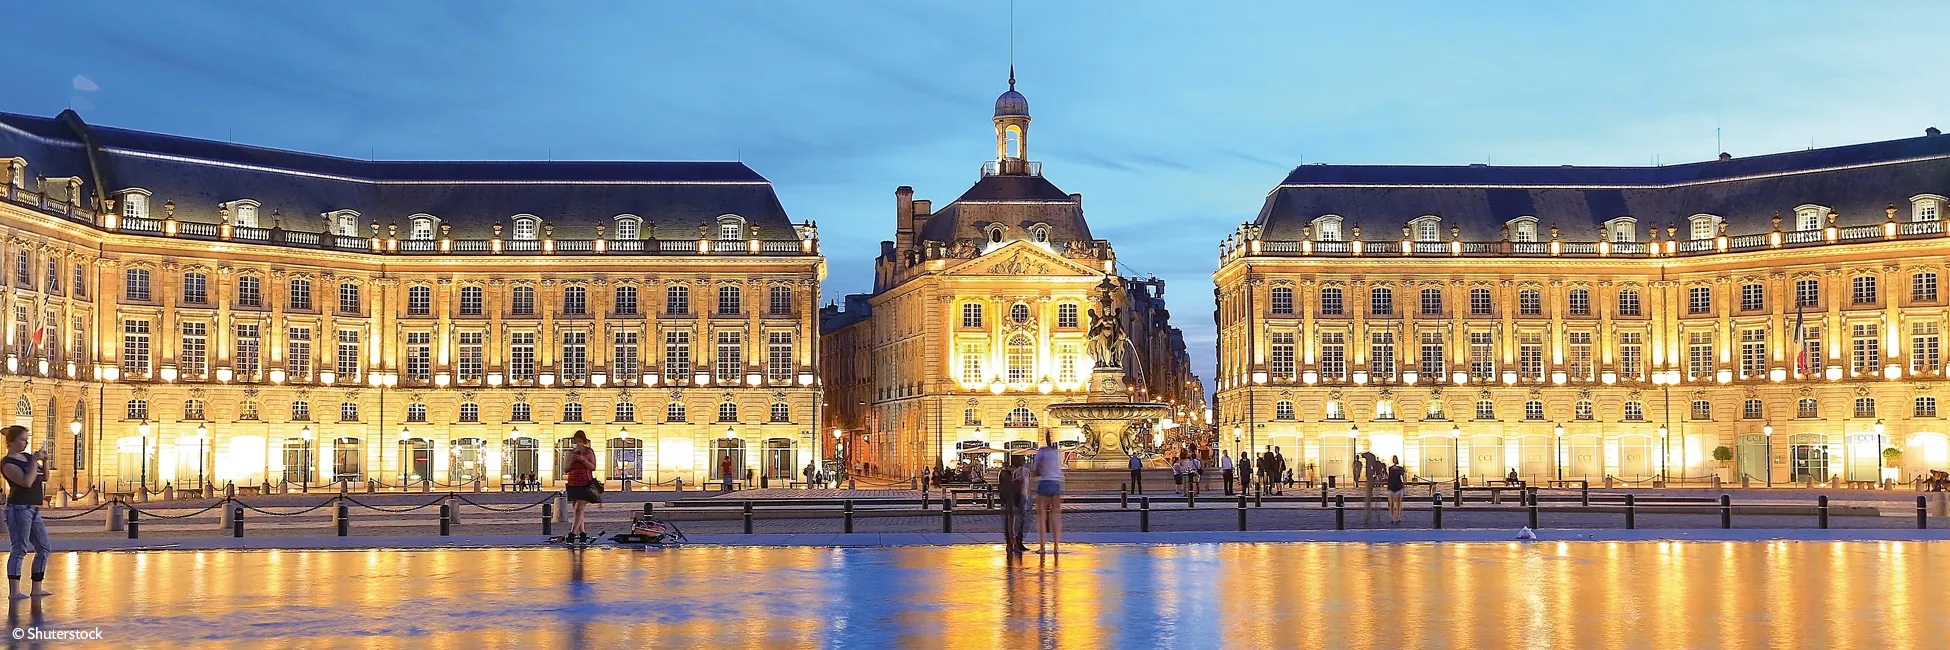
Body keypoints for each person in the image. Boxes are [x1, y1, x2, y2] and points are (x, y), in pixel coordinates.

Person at [2, 425, 51, 598]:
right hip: (18, 509)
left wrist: (44, 460)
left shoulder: (27, 458)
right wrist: (34, 460)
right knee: (19, 549)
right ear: (12, 441)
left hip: (34, 509)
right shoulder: (7, 463)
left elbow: (44, 477)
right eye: (23, 439)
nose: (26, 442)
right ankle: (14, 591)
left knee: (44, 548)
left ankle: (36, 588)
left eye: (27, 438)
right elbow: (26, 482)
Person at [1030, 433, 1066, 554]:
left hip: (1044, 483)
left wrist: (1030, 486)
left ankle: (1042, 547)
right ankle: (1056, 546)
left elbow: (1036, 470)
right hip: (1056, 484)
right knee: (1056, 516)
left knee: (1041, 516)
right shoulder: (1056, 452)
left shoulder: (1041, 452)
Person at [562, 431, 600, 544]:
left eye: (580, 441)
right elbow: (566, 469)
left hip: (585, 483)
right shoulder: (571, 453)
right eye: (576, 441)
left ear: (584, 441)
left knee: (579, 509)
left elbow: (593, 467)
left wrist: (583, 460)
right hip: (573, 482)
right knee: (577, 511)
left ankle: (572, 534)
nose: (578, 444)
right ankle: (583, 534)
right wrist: (573, 460)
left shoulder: (589, 452)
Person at [999, 456, 1027, 555]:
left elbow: (1001, 486)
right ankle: (1013, 542)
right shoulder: (1012, 473)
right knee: (1013, 518)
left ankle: (1011, 543)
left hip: (1009, 497)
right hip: (1012, 497)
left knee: (1011, 518)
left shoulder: (1006, 472)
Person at [1361, 452, 1383, 525]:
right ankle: (1373, 515)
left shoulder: (1370, 463)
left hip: (1371, 480)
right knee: (1375, 499)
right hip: (1373, 480)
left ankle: (1369, 515)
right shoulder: (1372, 463)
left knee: (1369, 499)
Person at [1386, 455, 1407, 525]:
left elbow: (1403, 479)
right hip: (1394, 486)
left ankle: (1396, 518)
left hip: (1395, 486)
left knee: (1396, 504)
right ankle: (1394, 518)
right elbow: (1403, 478)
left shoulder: (1392, 468)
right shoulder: (1393, 468)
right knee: (1395, 504)